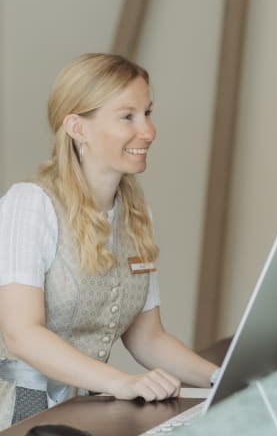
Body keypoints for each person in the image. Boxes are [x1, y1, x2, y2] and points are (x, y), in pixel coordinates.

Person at [0, 53, 218, 427]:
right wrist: (120, 382)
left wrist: (225, 379)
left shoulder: (135, 211)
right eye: (127, 116)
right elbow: (21, 334)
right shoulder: (30, 205)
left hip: (85, 411)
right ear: (77, 127)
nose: (147, 131)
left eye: (148, 113)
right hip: (20, 412)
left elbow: (148, 338)